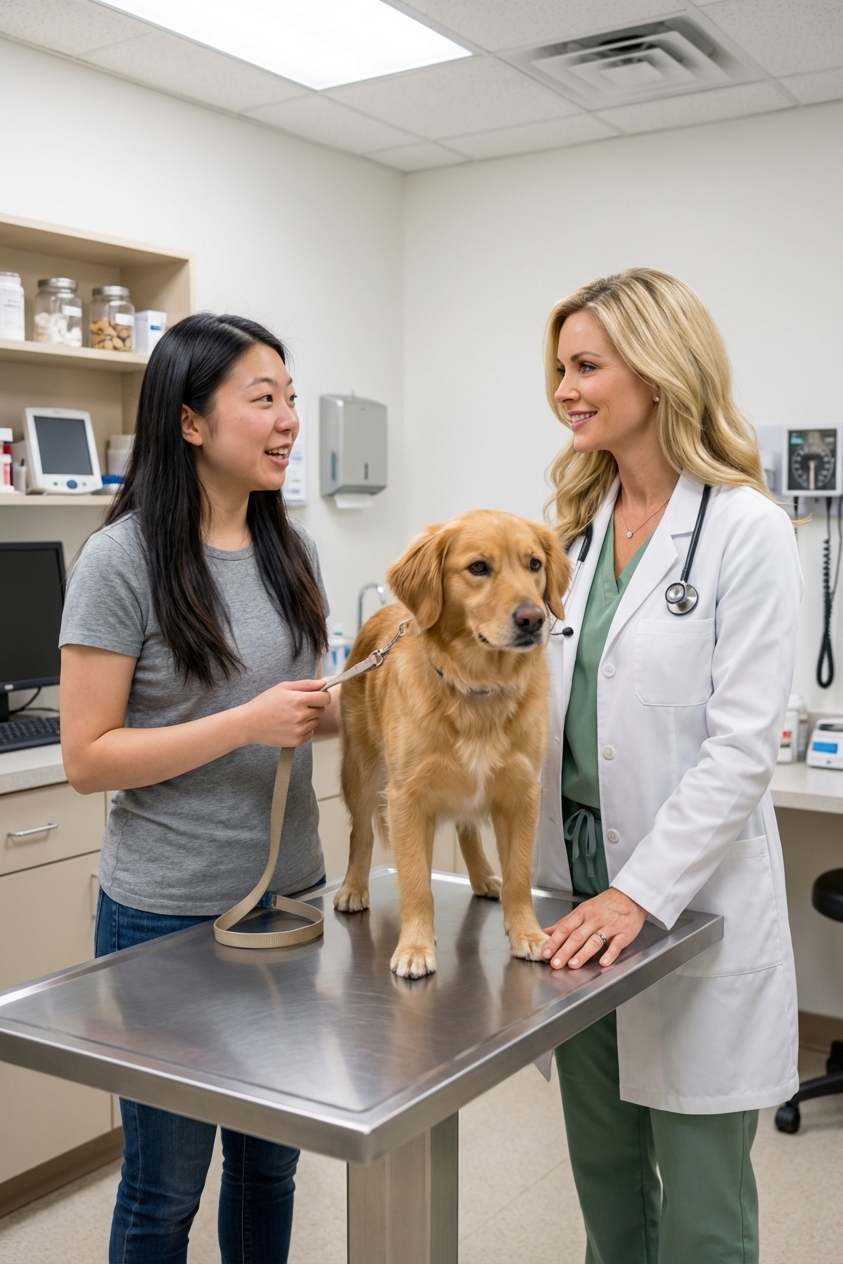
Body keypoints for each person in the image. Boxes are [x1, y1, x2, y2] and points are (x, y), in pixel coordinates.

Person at [534, 268, 801, 1264]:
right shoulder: (567, 531)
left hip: (681, 906)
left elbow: (740, 751)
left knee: (700, 1214)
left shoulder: (747, 530)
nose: (566, 387)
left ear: (659, 370)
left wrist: (638, 896)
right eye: (560, 366)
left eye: (587, 365)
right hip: (575, 901)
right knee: (606, 1189)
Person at [60, 312, 337, 1264]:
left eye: (291, 398)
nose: (288, 419)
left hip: (286, 907)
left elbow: (310, 703)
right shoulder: (122, 560)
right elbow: (88, 756)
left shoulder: (287, 551)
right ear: (189, 423)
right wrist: (245, 722)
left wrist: (345, 704)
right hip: (166, 921)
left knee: (270, 1169)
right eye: (264, 399)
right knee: (165, 1187)